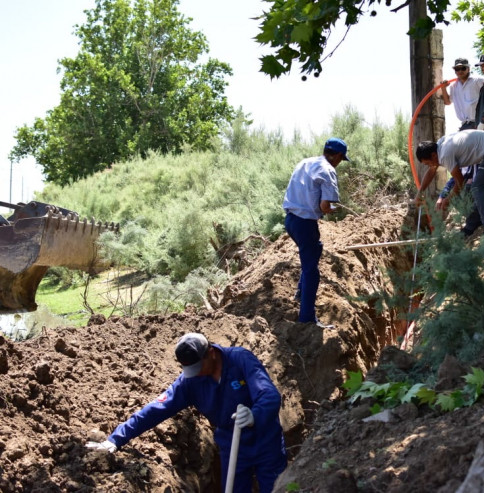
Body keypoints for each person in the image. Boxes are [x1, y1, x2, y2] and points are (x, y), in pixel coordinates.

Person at [85, 332, 287, 493]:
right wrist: (116, 439)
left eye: (198, 367)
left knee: (276, 488)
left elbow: (269, 394)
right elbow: (156, 409)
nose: (196, 373)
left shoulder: (240, 359)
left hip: (265, 441)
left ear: (211, 353)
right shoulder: (190, 382)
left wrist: (254, 415)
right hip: (231, 443)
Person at [282, 137, 349, 328]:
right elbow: (324, 206)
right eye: (341, 159)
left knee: (314, 251)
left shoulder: (305, 162)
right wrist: (331, 210)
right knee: (311, 270)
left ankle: (300, 292)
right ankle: (307, 317)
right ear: (338, 155)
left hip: (290, 220)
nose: (339, 163)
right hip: (305, 223)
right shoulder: (328, 170)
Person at [416, 130, 484, 233]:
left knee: (478, 188)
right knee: (482, 188)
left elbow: (460, 181)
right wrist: (419, 193)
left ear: (433, 155)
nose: (430, 166)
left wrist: (448, 199)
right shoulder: (440, 145)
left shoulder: (445, 154)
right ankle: (474, 225)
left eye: (428, 163)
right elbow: (431, 171)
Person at [440, 57, 484, 131]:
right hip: (465, 124)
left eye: (463, 68)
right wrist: (443, 88)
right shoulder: (453, 87)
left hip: (479, 123)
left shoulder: (478, 81)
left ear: (468, 69)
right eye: (457, 69)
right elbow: (447, 102)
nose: (460, 71)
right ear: (455, 71)